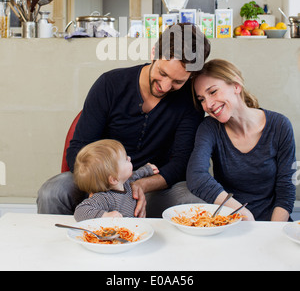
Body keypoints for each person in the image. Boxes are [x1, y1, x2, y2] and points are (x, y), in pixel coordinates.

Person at [37, 23, 211, 217]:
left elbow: (181, 164)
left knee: (193, 202)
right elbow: (78, 148)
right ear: (153, 53)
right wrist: (104, 187)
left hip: (152, 187)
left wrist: (139, 186)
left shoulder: (190, 101)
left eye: (178, 81)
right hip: (100, 182)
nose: (165, 86)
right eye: (162, 73)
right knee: (52, 192)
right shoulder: (110, 84)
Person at [186, 58, 296, 221]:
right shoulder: (209, 128)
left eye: (213, 91)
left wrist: (270, 231)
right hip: (233, 221)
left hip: (274, 224)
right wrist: (241, 213)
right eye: (201, 99)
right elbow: (196, 176)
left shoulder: (280, 125)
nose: (208, 104)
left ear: (236, 86)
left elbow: (286, 189)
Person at [73, 139, 159, 221]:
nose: (129, 158)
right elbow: (80, 211)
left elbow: (134, 175)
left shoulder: (125, 182)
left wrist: (146, 170)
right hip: (117, 234)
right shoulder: (104, 198)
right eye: (125, 159)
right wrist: (105, 216)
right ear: (114, 179)